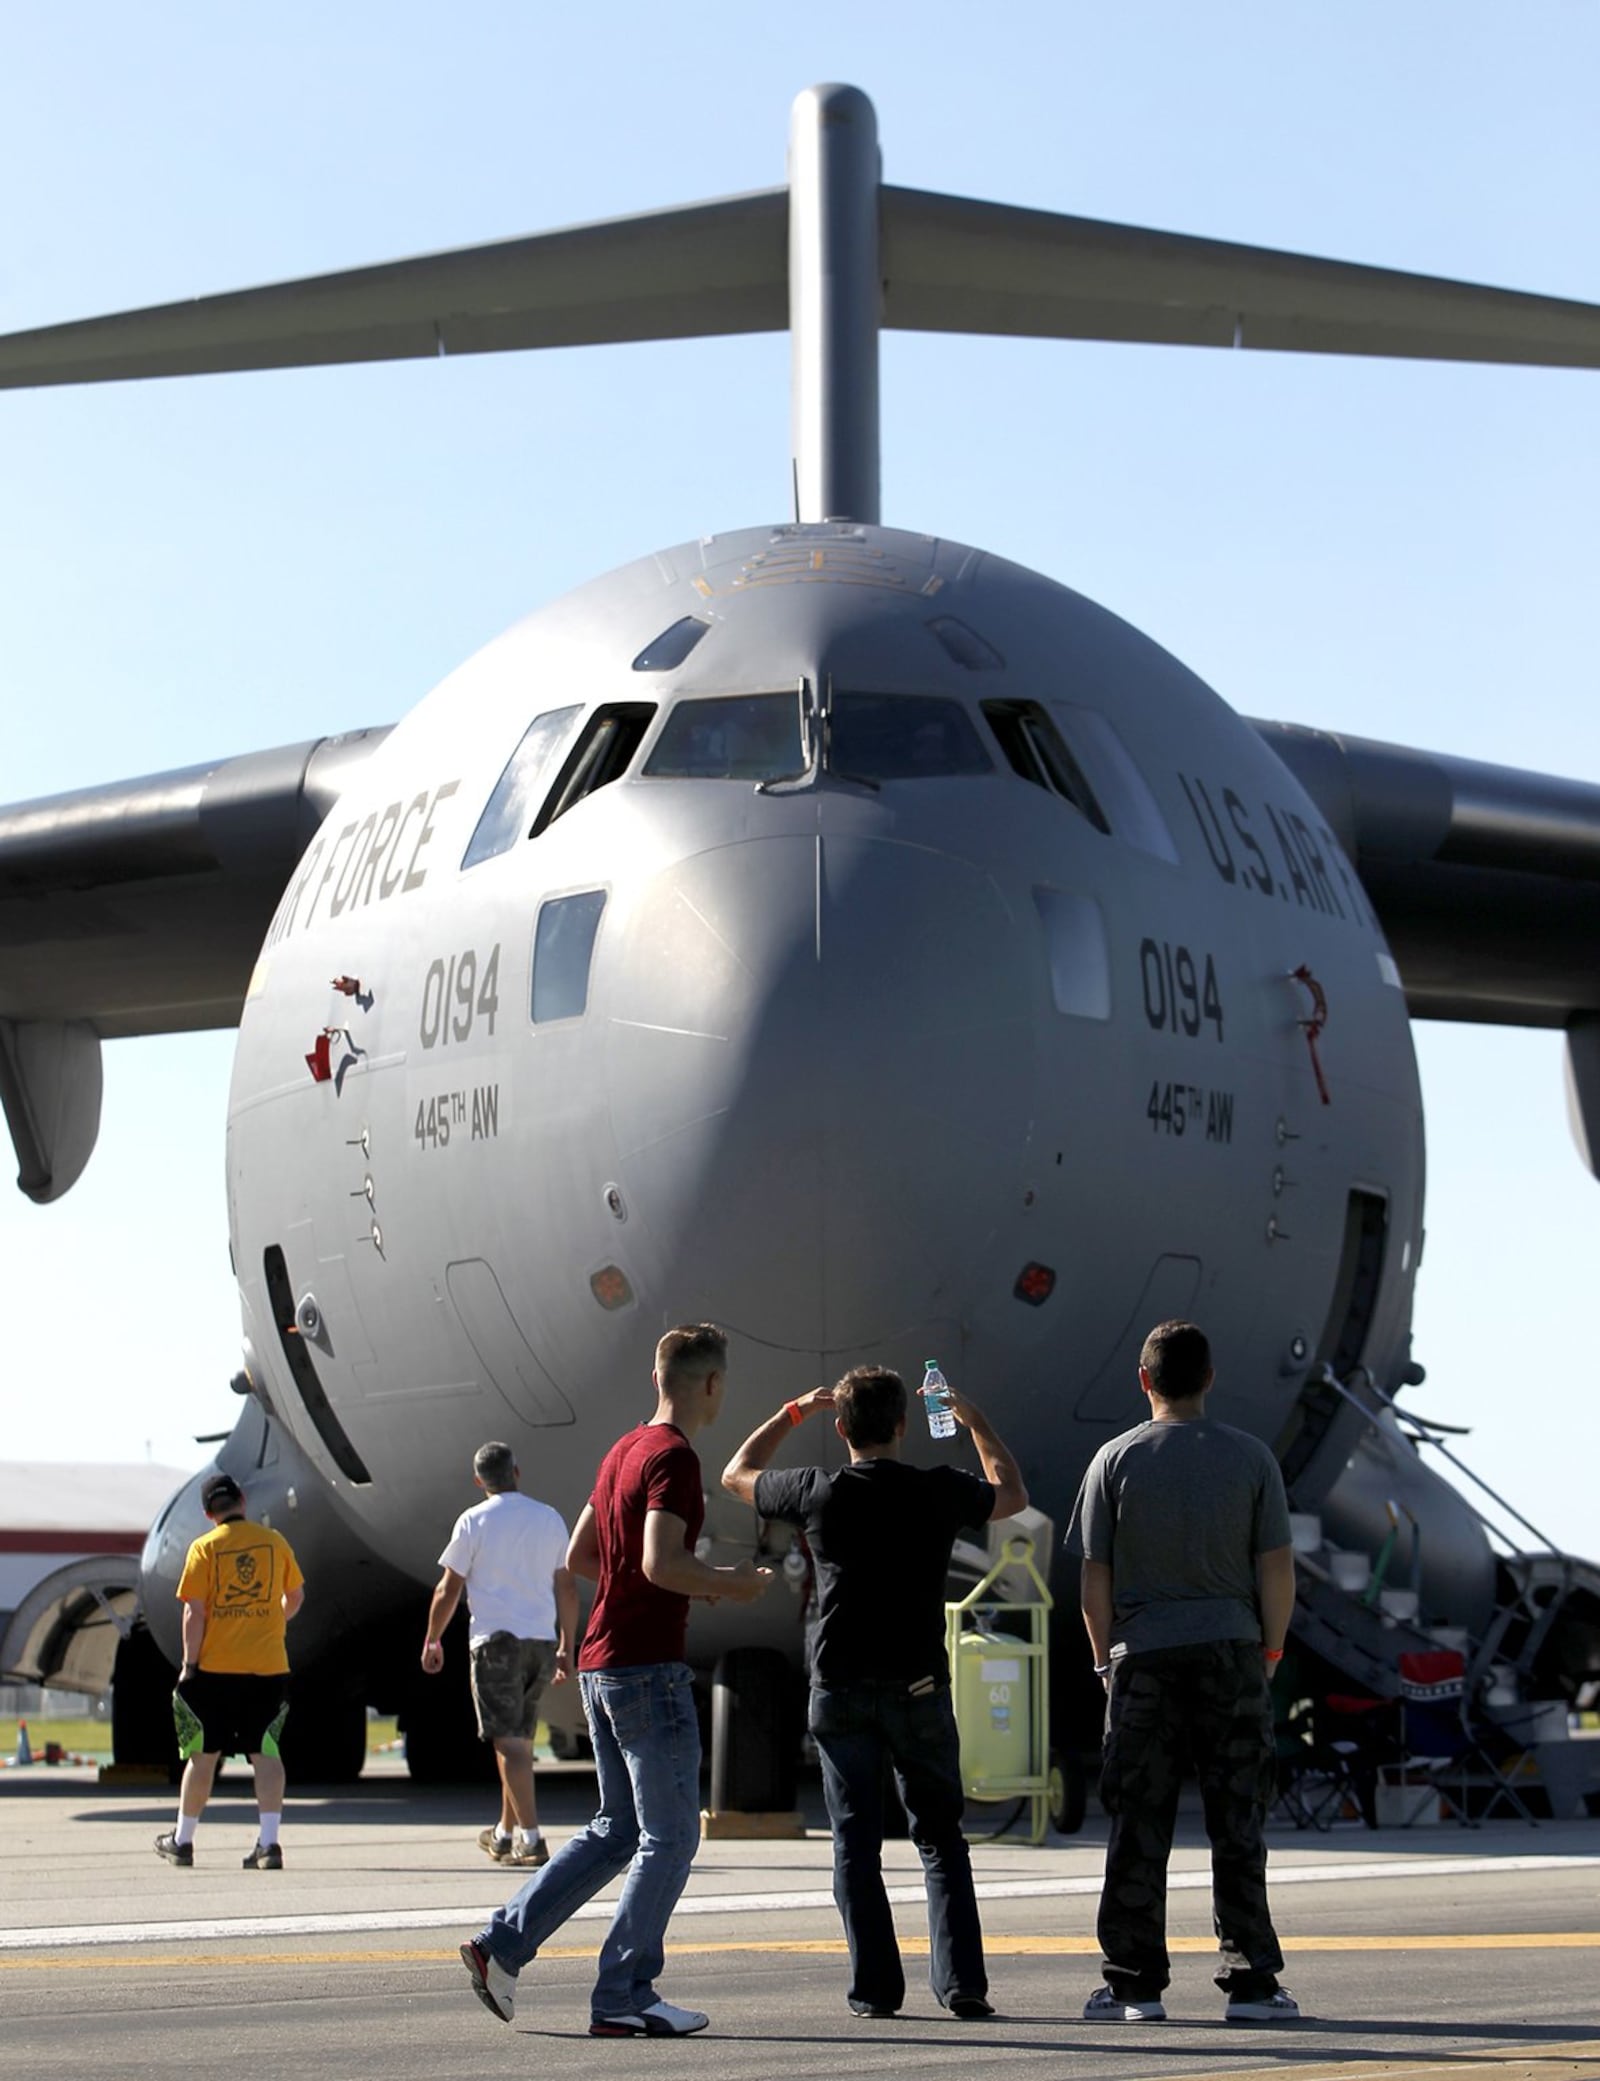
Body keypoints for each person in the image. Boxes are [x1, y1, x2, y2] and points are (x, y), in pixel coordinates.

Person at [459, 1323, 772, 2038]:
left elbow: (579, 1555)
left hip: (602, 1663)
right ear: (712, 1385)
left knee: (614, 1830)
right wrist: (730, 1584)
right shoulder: (674, 1458)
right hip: (647, 1668)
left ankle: (500, 1945)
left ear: (656, 1376)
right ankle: (624, 1990)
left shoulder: (623, 1449)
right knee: (669, 1838)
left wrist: (634, 1587)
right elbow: (664, 1563)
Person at [722, 1365, 1027, 2022]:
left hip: (840, 1686)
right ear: (902, 1424)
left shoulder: (817, 1490)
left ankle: (875, 1989)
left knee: (854, 1842)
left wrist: (792, 1410)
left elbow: (735, 1473)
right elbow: (1011, 1493)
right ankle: (962, 1983)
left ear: (842, 1427)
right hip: (918, 1684)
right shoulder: (938, 1491)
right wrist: (972, 1418)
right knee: (941, 1838)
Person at [1064, 1319, 1300, 2024]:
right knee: (1238, 1821)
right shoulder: (1253, 1458)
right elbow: (1276, 1569)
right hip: (1231, 1648)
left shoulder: (1113, 1460)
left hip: (1145, 1657)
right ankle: (1253, 1982)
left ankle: (1136, 1984)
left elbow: (1094, 1579)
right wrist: (1270, 1649)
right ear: (1209, 1378)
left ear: (1144, 1380)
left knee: (1139, 1824)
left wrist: (1106, 1658)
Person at [422, 1441, 578, 1868]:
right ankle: (504, 1833)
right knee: (518, 1741)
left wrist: (433, 1638)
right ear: (517, 1472)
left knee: (509, 1743)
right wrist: (567, 1645)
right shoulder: (548, 1518)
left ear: (479, 1481)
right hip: (541, 1643)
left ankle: (531, 1837)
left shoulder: (473, 1521)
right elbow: (566, 1586)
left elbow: (448, 1588)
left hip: (496, 1643)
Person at [155, 1471, 305, 1870]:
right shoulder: (275, 1543)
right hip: (269, 1667)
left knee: (203, 1757)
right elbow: (296, 1595)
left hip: (216, 1670)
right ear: (242, 1502)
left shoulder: (203, 1548)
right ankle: (269, 1844)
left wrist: (189, 1665)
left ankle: (182, 1840)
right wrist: (273, 1620)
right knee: (266, 1753)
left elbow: (194, 1611)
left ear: (208, 1513)